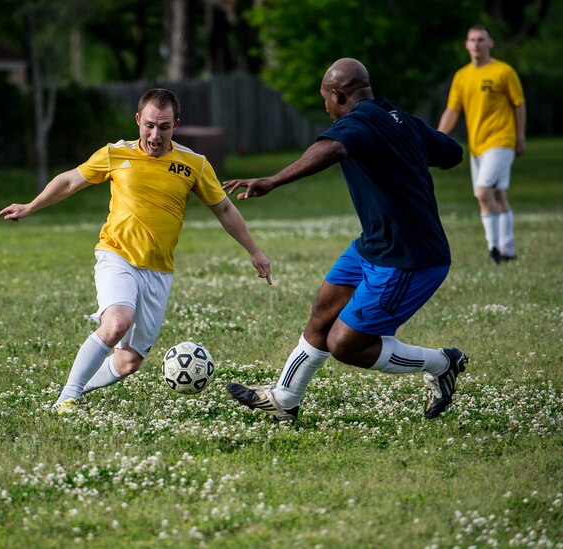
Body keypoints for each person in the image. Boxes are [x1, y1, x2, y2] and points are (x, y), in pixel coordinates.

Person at [0, 88, 272, 415]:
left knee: (128, 362)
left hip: (159, 270)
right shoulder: (116, 154)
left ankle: (74, 387)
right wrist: (31, 206)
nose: (156, 135)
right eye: (150, 125)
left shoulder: (193, 164)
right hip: (117, 255)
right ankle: (66, 400)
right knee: (117, 323)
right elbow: (70, 181)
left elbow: (225, 210)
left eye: (165, 127)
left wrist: (254, 251)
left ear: (176, 125)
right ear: (138, 120)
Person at [222, 58, 468, 423]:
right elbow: (452, 153)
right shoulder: (398, 119)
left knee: (345, 344)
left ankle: (443, 363)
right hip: (374, 244)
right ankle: (285, 399)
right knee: (323, 310)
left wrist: (273, 180)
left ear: (338, 95)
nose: (325, 107)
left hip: (409, 258)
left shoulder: (357, 124)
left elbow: (333, 149)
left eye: (325, 98)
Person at [437, 25, 526, 264]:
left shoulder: (503, 72)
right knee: (497, 194)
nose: (476, 44)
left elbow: (519, 104)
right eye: (472, 40)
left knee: (483, 191)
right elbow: (452, 110)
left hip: (501, 140)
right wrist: (436, 138)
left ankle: (493, 249)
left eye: (481, 39)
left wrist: (519, 138)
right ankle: (508, 250)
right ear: (467, 45)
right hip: (478, 145)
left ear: (490, 43)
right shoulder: (462, 76)